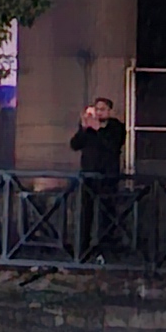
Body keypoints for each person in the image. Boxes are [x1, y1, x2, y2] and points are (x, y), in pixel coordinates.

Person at [68, 94, 128, 255]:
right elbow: (74, 145)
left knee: (106, 214)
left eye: (102, 110)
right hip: (88, 176)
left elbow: (112, 146)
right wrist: (84, 128)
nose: (99, 113)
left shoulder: (116, 127)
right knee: (85, 213)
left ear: (109, 111)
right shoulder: (89, 128)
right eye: (97, 109)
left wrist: (98, 129)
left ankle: (105, 249)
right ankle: (82, 249)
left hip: (107, 177)